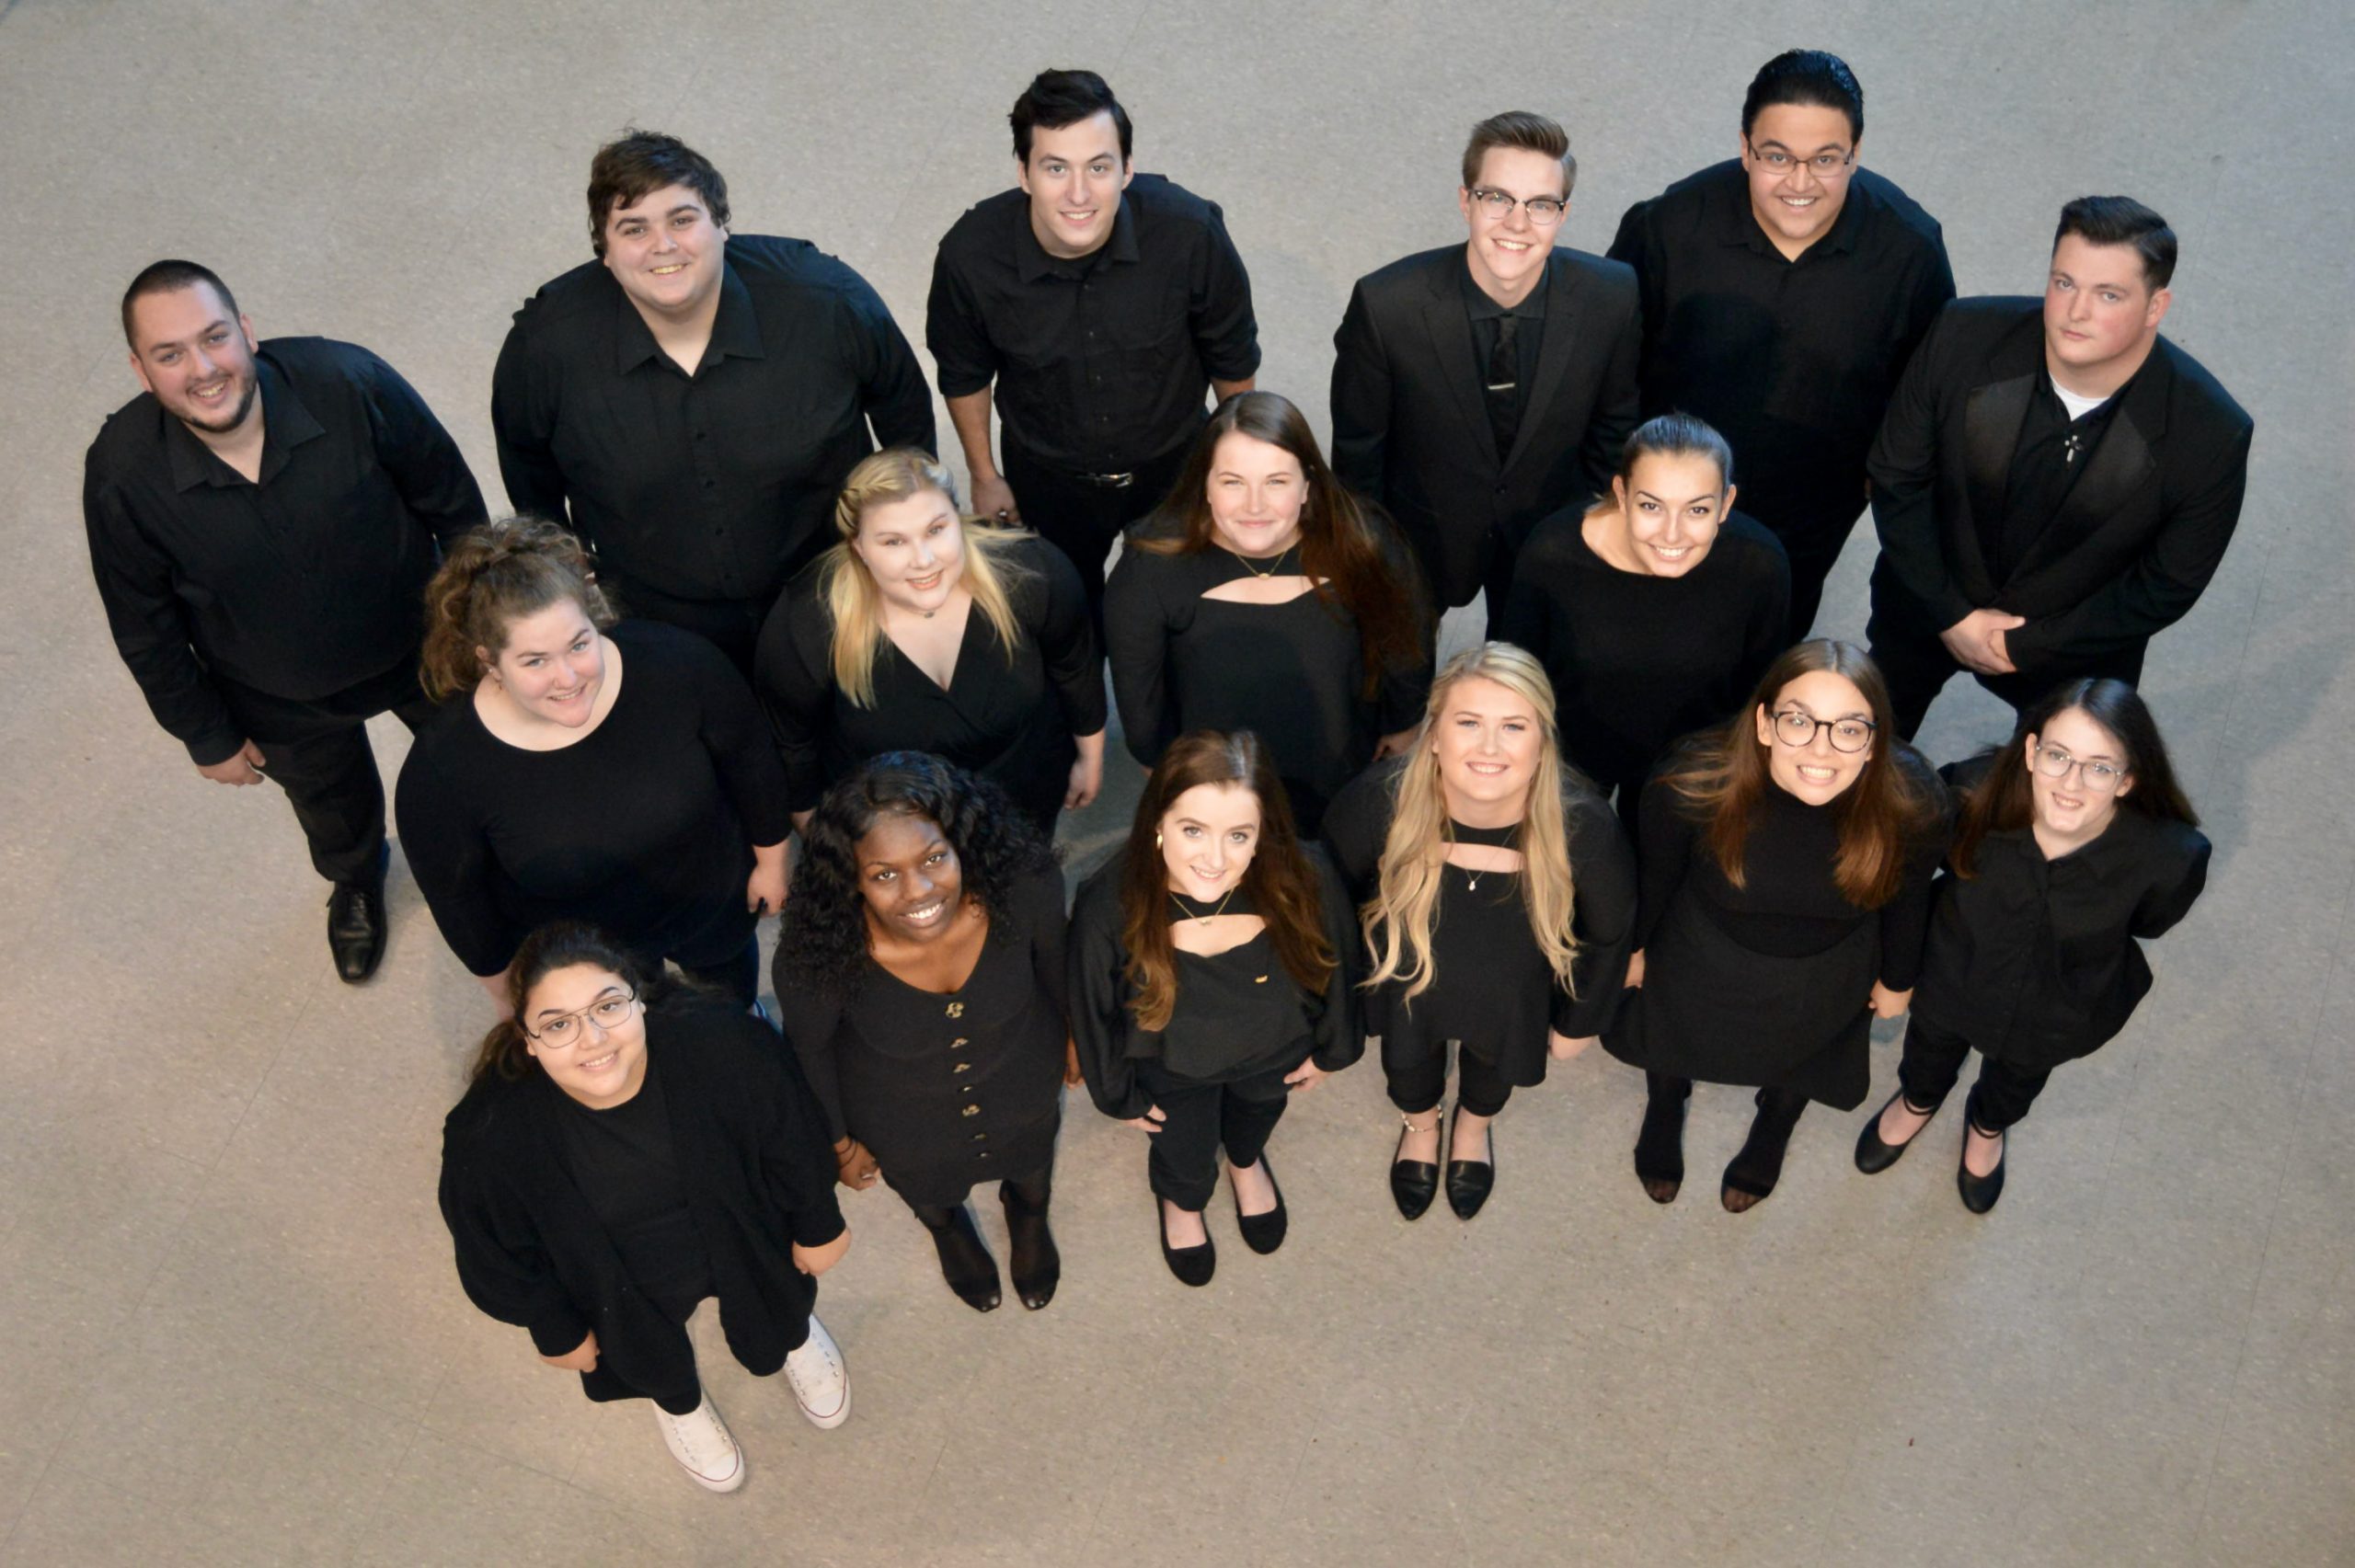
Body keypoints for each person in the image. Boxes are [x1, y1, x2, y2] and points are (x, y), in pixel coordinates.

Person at [84, 259, 488, 982]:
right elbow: (143, 625)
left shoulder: (350, 381)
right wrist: (206, 735)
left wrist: (485, 623)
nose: (203, 369)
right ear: (141, 371)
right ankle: (357, 878)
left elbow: (451, 500)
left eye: (214, 338)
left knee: (475, 763)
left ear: (247, 331)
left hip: (422, 642)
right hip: (273, 691)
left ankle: (497, 857)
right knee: (330, 805)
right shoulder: (121, 475)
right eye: (170, 355)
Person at [493, 129, 935, 670]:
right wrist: (573, 582)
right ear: (604, 252)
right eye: (634, 228)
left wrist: (908, 541)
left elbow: (905, 417)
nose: (664, 245)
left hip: (831, 582)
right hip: (655, 610)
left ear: (722, 224)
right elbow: (529, 474)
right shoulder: (544, 349)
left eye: (682, 219)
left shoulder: (827, 301)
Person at [439, 921, 852, 1494]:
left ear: (641, 1001)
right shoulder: (488, 1136)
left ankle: (793, 1336)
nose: (593, 1040)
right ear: (527, 1039)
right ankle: (677, 1401)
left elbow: (791, 1133)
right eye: (558, 1024)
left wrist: (817, 1221)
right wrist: (553, 1326)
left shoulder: (724, 1045)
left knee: (775, 1296)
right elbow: (494, 1251)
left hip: (737, 1231)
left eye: (608, 1006)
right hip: (617, 1278)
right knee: (643, 1352)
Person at [1867, 197, 2254, 738]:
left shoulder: (2211, 433)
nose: (2076, 311)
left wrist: (2026, 645)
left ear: (2156, 307)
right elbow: (1896, 477)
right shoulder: (1960, 335)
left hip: (2074, 650)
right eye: (2065, 283)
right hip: (1924, 601)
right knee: (1857, 749)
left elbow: (2165, 584)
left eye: (2109, 295)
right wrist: (1951, 613)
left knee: (2054, 806)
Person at [1606, 50, 1954, 642]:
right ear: (1745, 148)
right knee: (1641, 648)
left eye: (1825, 159)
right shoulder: (1668, 227)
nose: (1799, 183)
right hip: (1667, 495)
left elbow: (1927, 388)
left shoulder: (1910, 250)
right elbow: (1609, 361)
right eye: (1776, 157)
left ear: (1856, 153)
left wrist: (1882, 474)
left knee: (1762, 659)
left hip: (1811, 512)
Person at [1603, 641, 1947, 1212]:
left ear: (1874, 741)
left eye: (1849, 729)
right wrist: (1635, 949)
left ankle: (1775, 1125)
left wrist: (1899, 978)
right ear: (1763, 724)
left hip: (1832, 960)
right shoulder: (1691, 781)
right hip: (1703, 945)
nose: (1821, 748)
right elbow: (1656, 876)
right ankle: (1666, 1100)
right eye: (1798, 721)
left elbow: (1907, 900)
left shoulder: (1914, 803)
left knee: (1808, 1052)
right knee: (1668, 1028)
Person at [396, 519, 789, 1010]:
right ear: (489, 662)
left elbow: (749, 757)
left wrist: (773, 862)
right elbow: (459, 901)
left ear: (594, 619)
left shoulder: (680, 665)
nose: (568, 678)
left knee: (730, 995)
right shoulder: (441, 770)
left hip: (711, 902)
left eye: (579, 645)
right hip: (583, 953)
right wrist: (510, 996)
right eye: (535, 661)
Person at [1854, 680, 2209, 1212]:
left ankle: (1988, 1125)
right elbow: (1919, 865)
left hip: (2061, 998)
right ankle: (1919, 1098)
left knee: (2020, 1075)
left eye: (2100, 766)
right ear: (2029, 751)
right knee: (1929, 1045)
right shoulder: (1969, 794)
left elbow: (2151, 921)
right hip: (1952, 969)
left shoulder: (2171, 855)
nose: (2072, 783)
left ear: (2129, 779)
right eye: (2058, 756)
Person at [926, 68, 1259, 619]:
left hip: (1174, 464)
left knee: (1178, 607)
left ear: (1127, 168)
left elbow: (1233, 356)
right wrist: (985, 477)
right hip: (1048, 478)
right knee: (1064, 610)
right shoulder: (971, 257)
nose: (1078, 194)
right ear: (1024, 173)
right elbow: (964, 374)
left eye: (1098, 167)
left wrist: (1240, 463)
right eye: (1056, 168)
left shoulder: (1189, 234)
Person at [1323, 645, 1637, 1220]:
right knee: (1408, 1067)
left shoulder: (1584, 826)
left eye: (1513, 726)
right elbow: (1329, 902)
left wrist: (1579, 1023)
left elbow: (1610, 934)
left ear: (1541, 740)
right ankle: (1420, 1124)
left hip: (1514, 991)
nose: (1489, 748)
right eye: (1468, 723)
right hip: (1409, 979)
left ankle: (1473, 1125)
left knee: (1494, 1070)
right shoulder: (1378, 802)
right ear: (1435, 734)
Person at [773, 755, 1074, 1312]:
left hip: (1023, 1084)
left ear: (962, 843)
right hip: (900, 1124)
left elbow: (1057, 962)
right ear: (852, 877)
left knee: (1033, 1172)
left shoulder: (1025, 888)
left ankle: (1028, 1218)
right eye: (884, 874)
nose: (918, 891)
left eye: (935, 858)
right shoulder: (816, 956)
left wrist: (1077, 1035)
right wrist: (838, 1143)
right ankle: (949, 1233)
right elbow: (809, 1049)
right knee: (932, 1198)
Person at [1069, 730, 1361, 1285]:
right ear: (1158, 822)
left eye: (1238, 835)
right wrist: (1116, 1095)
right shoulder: (1110, 901)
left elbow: (1339, 961)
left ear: (1262, 833)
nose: (1214, 858)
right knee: (1184, 1151)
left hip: (1273, 1046)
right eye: (1193, 830)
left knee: (1256, 1118)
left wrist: (1335, 1048)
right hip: (1170, 1066)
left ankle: (1246, 1163)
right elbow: (1093, 1005)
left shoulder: (1307, 875)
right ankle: (1184, 1201)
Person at [1329, 109, 1640, 625]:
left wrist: (1582, 542)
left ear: (1562, 214)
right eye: (1497, 197)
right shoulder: (1387, 306)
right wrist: (1370, 560)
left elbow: (1614, 433)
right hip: (1418, 536)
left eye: (1540, 204)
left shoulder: (1612, 298)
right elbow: (1359, 456)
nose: (1517, 223)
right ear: (1465, 201)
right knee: (1395, 690)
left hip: (1547, 536)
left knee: (1526, 695)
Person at [1104, 391, 1430, 836]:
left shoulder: (1363, 542)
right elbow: (1139, 695)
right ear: (1205, 484)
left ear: (1308, 486)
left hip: (1341, 777)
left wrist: (1404, 721)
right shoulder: (1150, 568)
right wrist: (1164, 770)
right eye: (1233, 482)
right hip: (1218, 796)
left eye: (1276, 482)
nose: (1254, 506)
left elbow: (1403, 640)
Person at [755, 448, 1105, 841]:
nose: (923, 560)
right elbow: (793, 743)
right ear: (859, 549)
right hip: (890, 830)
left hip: (1023, 801)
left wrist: (1090, 759)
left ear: (959, 520)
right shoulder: (809, 619)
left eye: (936, 530)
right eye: (893, 542)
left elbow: (1075, 667)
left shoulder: (1031, 572)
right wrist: (820, 841)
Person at [1500, 413, 1790, 825]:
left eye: (1697, 510)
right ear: (1622, 493)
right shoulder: (1553, 554)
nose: (1672, 535)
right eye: (1652, 505)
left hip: (1691, 770)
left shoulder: (1758, 566)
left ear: (1725, 504)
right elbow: (1515, 676)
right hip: (1568, 764)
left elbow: (1761, 688)